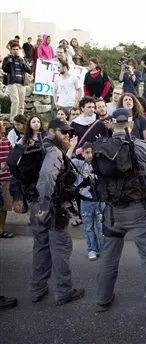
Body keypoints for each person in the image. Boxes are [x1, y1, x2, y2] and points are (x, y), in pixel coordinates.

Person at [94, 108, 146, 320]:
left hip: (112, 211)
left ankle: (103, 299)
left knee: (109, 256)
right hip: (139, 210)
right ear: (131, 124)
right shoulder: (140, 146)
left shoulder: (101, 148)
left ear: (112, 124)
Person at [10, 118, 85, 305]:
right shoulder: (52, 151)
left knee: (41, 246)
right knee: (60, 247)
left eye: (68, 132)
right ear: (51, 132)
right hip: (51, 207)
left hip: (39, 205)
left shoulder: (42, 148)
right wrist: (44, 205)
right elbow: (46, 177)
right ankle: (64, 291)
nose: (67, 135)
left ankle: (37, 289)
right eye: (63, 132)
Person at [69, 142, 103, 261]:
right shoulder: (79, 164)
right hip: (85, 201)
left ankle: (103, 250)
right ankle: (92, 249)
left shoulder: (101, 165)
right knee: (88, 227)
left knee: (101, 226)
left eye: (92, 152)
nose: (90, 155)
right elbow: (66, 161)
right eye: (87, 152)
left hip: (100, 200)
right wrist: (71, 147)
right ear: (82, 153)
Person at [2, 41, 32, 118]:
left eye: (17, 49)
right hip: (12, 82)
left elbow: (29, 70)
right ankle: (13, 119)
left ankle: (20, 120)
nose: (15, 51)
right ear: (11, 50)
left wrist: (23, 62)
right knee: (15, 101)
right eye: (14, 49)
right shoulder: (7, 58)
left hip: (22, 83)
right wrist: (9, 61)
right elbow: (4, 69)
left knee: (21, 103)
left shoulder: (23, 59)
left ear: (19, 50)